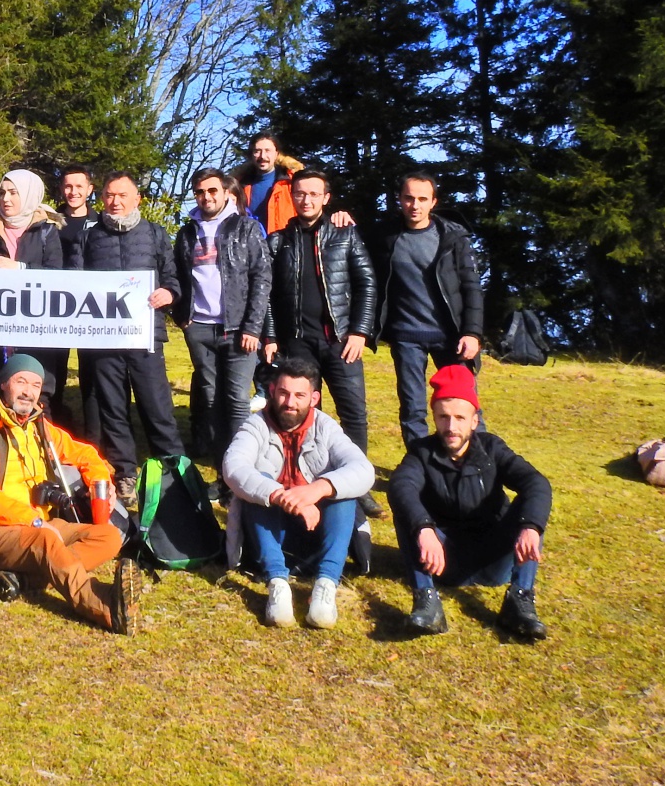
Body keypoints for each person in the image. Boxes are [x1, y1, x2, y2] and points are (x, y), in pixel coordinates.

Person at [0, 355, 142, 635]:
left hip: (39, 526)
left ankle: (21, 579)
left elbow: (83, 453)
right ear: (3, 384)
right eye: (21, 381)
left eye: (35, 384)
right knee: (48, 540)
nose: (28, 391)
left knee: (107, 536)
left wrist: (102, 481)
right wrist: (34, 520)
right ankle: (105, 607)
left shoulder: (38, 426)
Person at [387, 365, 550, 639]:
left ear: (474, 420)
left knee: (529, 506)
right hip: (443, 561)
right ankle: (426, 601)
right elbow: (401, 485)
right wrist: (424, 529)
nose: (451, 427)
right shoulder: (421, 452)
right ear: (435, 418)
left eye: (460, 418)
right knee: (406, 509)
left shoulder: (493, 448)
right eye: (443, 417)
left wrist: (531, 527)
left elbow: (537, 483)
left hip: (495, 560)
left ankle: (520, 599)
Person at [222, 357, 374, 628]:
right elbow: (233, 468)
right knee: (259, 485)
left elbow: (363, 469)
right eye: (283, 393)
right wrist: (280, 495)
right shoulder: (255, 425)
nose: (290, 402)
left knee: (341, 490)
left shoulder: (326, 427)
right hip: (270, 537)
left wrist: (317, 490)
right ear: (271, 392)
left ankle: (326, 586)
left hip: (319, 535)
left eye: (299, 395)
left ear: (314, 398)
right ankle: (277, 585)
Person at [262, 168, 380, 513]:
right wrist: (270, 336)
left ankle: (357, 484)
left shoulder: (345, 235)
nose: (307, 200)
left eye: (314, 194)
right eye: (300, 194)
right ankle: (304, 477)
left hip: (341, 341)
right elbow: (266, 295)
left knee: (353, 413)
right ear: (292, 197)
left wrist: (359, 331)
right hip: (297, 344)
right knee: (303, 413)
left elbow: (367, 283)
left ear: (326, 198)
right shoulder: (278, 241)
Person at [77, 171, 185, 505]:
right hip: (104, 339)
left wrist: (169, 292)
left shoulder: (155, 233)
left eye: (123, 195)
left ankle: (174, 472)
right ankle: (125, 473)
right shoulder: (90, 237)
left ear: (137, 199)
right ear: (102, 198)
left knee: (157, 406)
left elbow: (172, 276)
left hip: (145, 336)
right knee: (113, 409)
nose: (116, 201)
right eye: (110, 195)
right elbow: (76, 281)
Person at [370, 171, 485, 447]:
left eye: (422, 199)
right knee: (412, 410)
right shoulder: (384, 236)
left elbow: (471, 287)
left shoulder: (453, 238)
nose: (415, 205)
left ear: (434, 202)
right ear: (399, 199)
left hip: (451, 336)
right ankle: (421, 468)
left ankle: (479, 465)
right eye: (408, 198)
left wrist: (472, 333)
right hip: (406, 337)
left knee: (464, 404)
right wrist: (341, 217)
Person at [172, 166, 270, 486]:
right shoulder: (187, 233)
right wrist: (181, 317)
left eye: (212, 190)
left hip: (238, 330)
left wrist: (253, 328)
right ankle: (222, 472)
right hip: (199, 328)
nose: (206, 197)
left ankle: (242, 473)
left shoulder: (246, 228)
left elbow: (261, 278)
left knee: (238, 401)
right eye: (200, 192)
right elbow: (175, 276)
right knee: (212, 402)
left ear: (226, 192)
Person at [0, 168, 65, 394]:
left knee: (34, 392)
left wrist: (20, 268)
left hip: (34, 326)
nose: (6, 198)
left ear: (29, 194)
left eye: (14, 193)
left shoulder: (47, 231)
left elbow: (56, 275)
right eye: (2, 192)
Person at [49, 164, 97, 419]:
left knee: (91, 368)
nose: (73, 191)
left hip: (91, 305)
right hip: (55, 304)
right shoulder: (49, 222)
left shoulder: (101, 222)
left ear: (89, 189)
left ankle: (93, 428)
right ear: (61, 189)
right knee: (55, 366)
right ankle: (54, 418)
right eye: (68, 186)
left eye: (79, 186)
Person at [234, 131, 302, 234]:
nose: (263, 156)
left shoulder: (292, 182)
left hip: (284, 245)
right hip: (249, 246)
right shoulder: (239, 185)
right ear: (251, 154)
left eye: (267, 151)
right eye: (257, 151)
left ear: (276, 154)